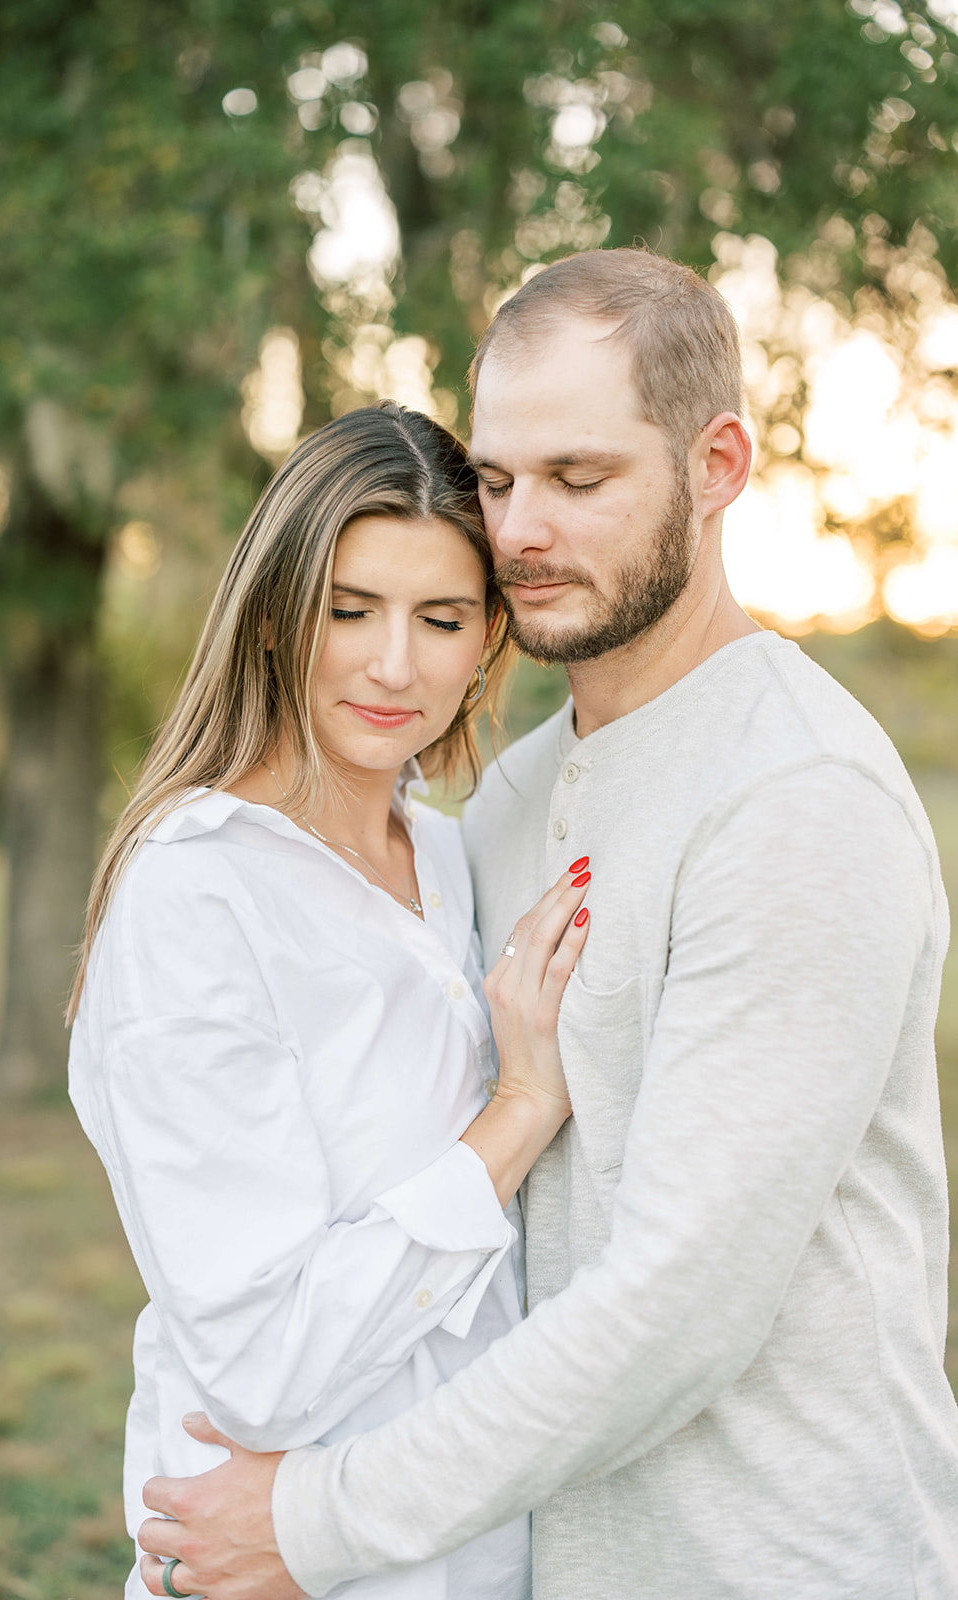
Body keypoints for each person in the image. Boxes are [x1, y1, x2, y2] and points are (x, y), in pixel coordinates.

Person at [137, 248, 958, 1600]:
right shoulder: (509, 803)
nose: (519, 530)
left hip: (785, 1562)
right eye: (499, 481)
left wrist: (319, 1518)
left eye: (579, 481)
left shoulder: (792, 796)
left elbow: (680, 1309)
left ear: (716, 467)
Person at [66, 401, 594, 1600]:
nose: (393, 663)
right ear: (271, 614)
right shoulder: (199, 893)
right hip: (282, 1561)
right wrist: (514, 1111)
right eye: (348, 609)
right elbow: (262, 1361)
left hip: (466, 1544)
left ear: (486, 644)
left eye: (440, 618)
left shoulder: (450, 857)